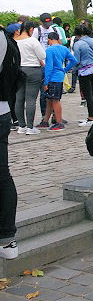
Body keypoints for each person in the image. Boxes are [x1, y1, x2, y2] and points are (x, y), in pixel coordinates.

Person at [0, 27, 21, 260]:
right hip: (3, 109)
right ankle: (7, 239)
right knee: (2, 174)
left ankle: (7, 238)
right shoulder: (4, 37)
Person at [39, 32, 76, 130]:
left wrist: (45, 82)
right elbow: (74, 60)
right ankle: (45, 121)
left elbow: (49, 67)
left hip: (52, 78)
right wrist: (65, 70)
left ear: (49, 39)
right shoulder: (63, 48)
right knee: (50, 100)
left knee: (55, 100)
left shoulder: (49, 50)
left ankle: (59, 123)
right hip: (60, 76)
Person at [14, 21, 46, 135]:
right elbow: (42, 55)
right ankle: (30, 127)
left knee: (19, 99)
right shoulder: (32, 41)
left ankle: (21, 126)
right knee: (31, 99)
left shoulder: (15, 41)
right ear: (31, 29)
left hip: (19, 70)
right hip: (32, 69)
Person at [72, 24, 93, 125]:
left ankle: (90, 118)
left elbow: (76, 60)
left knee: (87, 94)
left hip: (84, 71)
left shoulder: (78, 44)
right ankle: (92, 115)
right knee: (92, 93)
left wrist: (72, 69)